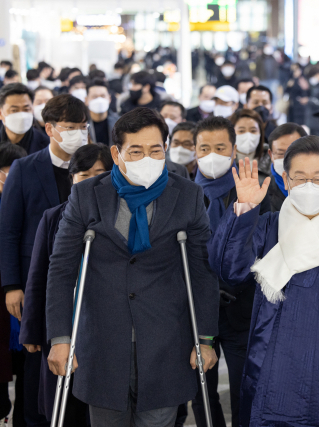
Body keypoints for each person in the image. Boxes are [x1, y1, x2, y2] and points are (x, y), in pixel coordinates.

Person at [43, 107, 219, 426]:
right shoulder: (86, 195)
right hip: (103, 341)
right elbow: (61, 268)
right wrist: (59, 338)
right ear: (116, 152)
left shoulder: (188, 196)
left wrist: (205, 338)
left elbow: (202, 271)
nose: (147, 158)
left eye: (155, 150)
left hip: (166, 341)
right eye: (136, 151)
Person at [208, 137, 319, 426]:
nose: (309, 186)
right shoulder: (267, 226)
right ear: (286, 179)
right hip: (273, 364)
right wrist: (243, 210)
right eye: (300, 178)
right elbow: (229, 269)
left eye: (318, 179)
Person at [0, 94, 88, 426]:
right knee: (36, 365)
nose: (78, 134)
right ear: (49, 129)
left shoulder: (94, 166)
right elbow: (8, 231)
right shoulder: (25, 167)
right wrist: (12, 286)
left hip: (85, 280)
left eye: (82, 127)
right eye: (69, 127)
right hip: (36, 282)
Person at [19, 144, 113, 424]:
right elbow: (39, 278)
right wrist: (32, 331)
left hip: (105, 324)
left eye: (102, 173)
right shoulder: (53, 217)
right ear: (71, 178)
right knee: (64, 402)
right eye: (84, 174)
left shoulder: (122, 217)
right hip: (65, 324)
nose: (93, 181)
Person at [192, 116, 269, 427]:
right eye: (204, 147)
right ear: (194, 150)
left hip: (242, 307)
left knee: (244, 389)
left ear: (234, 149)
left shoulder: (256, 189)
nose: (212, 154)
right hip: (195, 311)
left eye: (220, 147)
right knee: (201, 392)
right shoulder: (182, 193)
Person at [0, 142, 27, 427]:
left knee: (27, 358)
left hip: (26, 286)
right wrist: (10, 254)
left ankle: (24, 416)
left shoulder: (28, 197)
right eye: (13, 168)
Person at [0, 84, 49, 171]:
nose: (21, 115)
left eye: (26, 109)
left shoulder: (47, 147)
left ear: (32, 110)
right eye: (14, 110)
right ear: (0, 113)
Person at [267, 123, 307, 211]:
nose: (287, 160)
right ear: (271, 155)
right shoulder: (261, 192)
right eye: (281, 154)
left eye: (294, 153)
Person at [230, 109, 270, 183]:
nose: (248, 135)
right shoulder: (226, 162)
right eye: (241, 131)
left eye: (253, 131)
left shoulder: (271, 158)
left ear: (260, 133)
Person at [86, 79, 119, 145]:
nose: (99, 100)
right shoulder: (82, 126)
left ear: (109, 98)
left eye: (103, 96)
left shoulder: (119, 123)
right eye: (94, 97)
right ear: (86, 100)